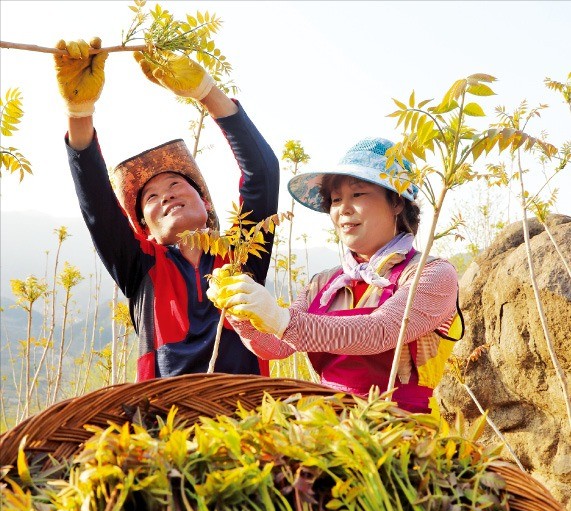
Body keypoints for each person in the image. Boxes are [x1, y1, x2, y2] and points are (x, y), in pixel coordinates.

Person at [53, 38, 279, 381]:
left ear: (205, 202)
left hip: (250, 424)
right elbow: (96, 202)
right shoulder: (141, 266)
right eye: (151, 198)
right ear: (146, 229)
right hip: (164, 427)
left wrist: (206, 92)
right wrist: (79, 111)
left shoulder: (240, 255)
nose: (167, 197)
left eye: (176, 185)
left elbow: (261, 174)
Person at [208, 138, 461, 413]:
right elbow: (277, 347)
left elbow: (382, 330)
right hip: (330, 425)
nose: (343, 209)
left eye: (358, 194)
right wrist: (244, 315)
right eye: (336, 199)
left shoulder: (431, 274)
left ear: (397, 202)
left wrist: (281, 319)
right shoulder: (323, 283)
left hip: (402, 428)